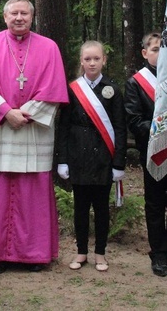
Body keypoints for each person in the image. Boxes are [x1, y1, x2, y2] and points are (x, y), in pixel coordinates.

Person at [0, 0, 68, 275]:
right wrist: (6, 112)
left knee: (32, 192)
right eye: (14, 14)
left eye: (24, 13)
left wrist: (26, 113)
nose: (19, 18)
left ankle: (33, 255)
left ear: (32, 18)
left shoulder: (49, 47)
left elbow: (53, 87)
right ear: (4, 17)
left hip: (33, 130)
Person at [125, 32, 167, 276]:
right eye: (155, 49)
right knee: (155, 204)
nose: (160, 54)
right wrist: (161, 130)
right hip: (153, 153)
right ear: (145, 53)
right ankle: (159, 254)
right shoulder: (136, 83)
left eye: (165, 49)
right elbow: (134, 121)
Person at [56, 41, 126, 272]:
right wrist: (62, 159)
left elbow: (120, 128)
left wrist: (118, 163)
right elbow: (63, 128)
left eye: (96, 58)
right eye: (88, 59)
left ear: (104, 60)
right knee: (81, 208)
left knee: (102, 209)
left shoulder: (113, 90)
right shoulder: (72, 89)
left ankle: (101, 253)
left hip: (103, 160)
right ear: (81, 62)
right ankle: (81, 251)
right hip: (78, 157)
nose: (92, 63)